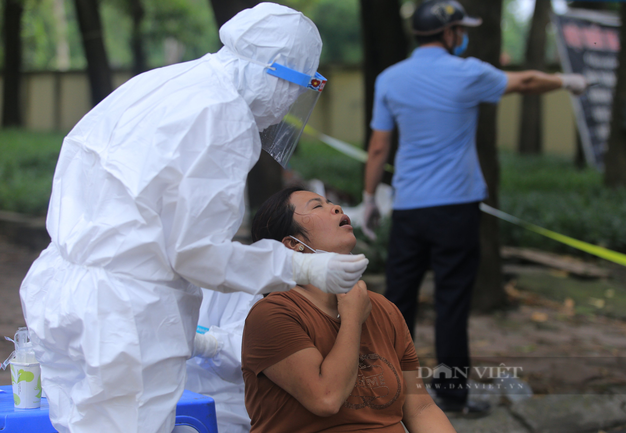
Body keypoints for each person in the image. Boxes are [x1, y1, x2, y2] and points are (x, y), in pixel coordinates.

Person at [19, 4, 368, 432]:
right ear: (279, 77)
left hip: (61, 290)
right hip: (125, 313)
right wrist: (299, 265)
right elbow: (197, 254)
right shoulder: (223, 116)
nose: (289, 106)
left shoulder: (165, 82)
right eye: (299, 88)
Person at [361, 0, 587, 417]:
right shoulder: (469, 73)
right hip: (456, 209)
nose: (462, 35)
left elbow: (378, 145)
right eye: (459, 29)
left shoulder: (390, 78)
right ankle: (450, 396)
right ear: (448, 34)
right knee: (451, 303)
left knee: (398, 303)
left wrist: (370, 198)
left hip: (409, 208)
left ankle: (386, 394)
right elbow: (527, 81)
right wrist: (567, 80)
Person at [241, 186, 457, 433]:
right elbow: (326, 398)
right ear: (293, 245)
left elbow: (420, 409)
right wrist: (352, 319)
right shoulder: (272, 315)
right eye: (317, 206)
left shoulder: (384, 309)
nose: (337, 207)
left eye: (331, 202)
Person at [185, 289, 260, 433]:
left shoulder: (239, 289)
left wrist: (206, 345)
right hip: (154, 400)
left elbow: (246, 350)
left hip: (219, 407)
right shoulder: (147, 277)